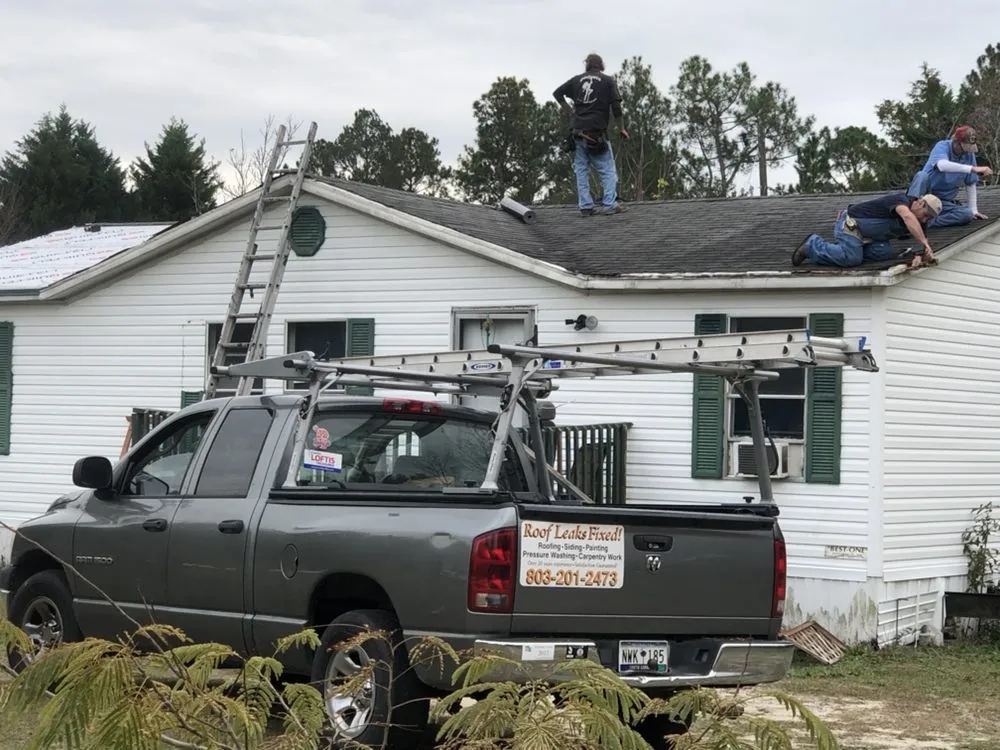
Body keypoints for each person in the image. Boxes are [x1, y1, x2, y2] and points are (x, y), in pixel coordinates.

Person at [553, 53, 630, 216]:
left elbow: (557, 93)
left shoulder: (576, 80)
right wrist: (621, 128)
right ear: (601, 65)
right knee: (607, 169)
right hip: (596, 133)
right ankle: (609, 204)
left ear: (587, 65)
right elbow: (616, 107)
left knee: (581, 170)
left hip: (578, 132)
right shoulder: (608, 81)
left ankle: (586, 206)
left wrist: (570, 113)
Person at [792, 191, 942, 269]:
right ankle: (812, 246)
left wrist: (922, 255)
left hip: (869, 238)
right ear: (920, 203)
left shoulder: (920, 224)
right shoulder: (900, 200)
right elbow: (907, 217)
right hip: (851, 225)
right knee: (852, 259)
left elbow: (922, 243)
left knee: (886, 252)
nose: (925, 220)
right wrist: (924, 242)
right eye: (926, 215)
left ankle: (854, 249)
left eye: (929, 219)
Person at [906, 125, 993, 228]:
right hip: (924, 196)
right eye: (964, 147)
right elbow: (942, 165)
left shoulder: (969, 155)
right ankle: (908, 214)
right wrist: (972, 169)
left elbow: (971, 183)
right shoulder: (942, 146)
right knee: (921, 175)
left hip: (942, 202)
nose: (966, 151)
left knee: (966, 214)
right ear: (956, 142)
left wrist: (974, 210)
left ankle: (925, 223)